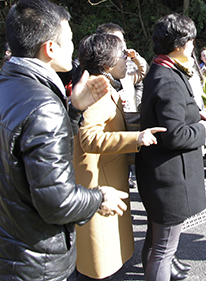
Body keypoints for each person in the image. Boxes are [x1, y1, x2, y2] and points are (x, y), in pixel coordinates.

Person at [0, 0, 128, 281]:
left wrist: (74, 110)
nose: (74, 46)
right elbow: (56, 201)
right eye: (69, 39)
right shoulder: (43, 104)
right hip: (33, 262)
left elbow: (30, 156)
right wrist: (98, 198)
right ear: (50, 48)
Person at [74, 33, 164, 280]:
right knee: (97, 262)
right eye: (123, 55)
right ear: (107, 63)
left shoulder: (104, 84)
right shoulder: (99, 89)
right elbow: (88, 138)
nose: (127, 59)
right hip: (98, 182)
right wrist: (135, 139)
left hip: (105, 177)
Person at [136, 13, 206, 281]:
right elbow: (175, 134)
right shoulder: (168, 78)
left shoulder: (161, 69)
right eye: (191, 41)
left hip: (157, 174)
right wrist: (204, 129)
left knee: (155, 243)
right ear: (179, 44)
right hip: (169, 179)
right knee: (164, 251)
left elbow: (171, 117)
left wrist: (195, 115)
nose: (193, 46)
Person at [96, 23, 148, 112]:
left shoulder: (128, 69)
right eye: (118, 41)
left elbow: (144, 72)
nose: (123, 44)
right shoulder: (97, 80)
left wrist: (136, 57)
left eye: (123, 40)